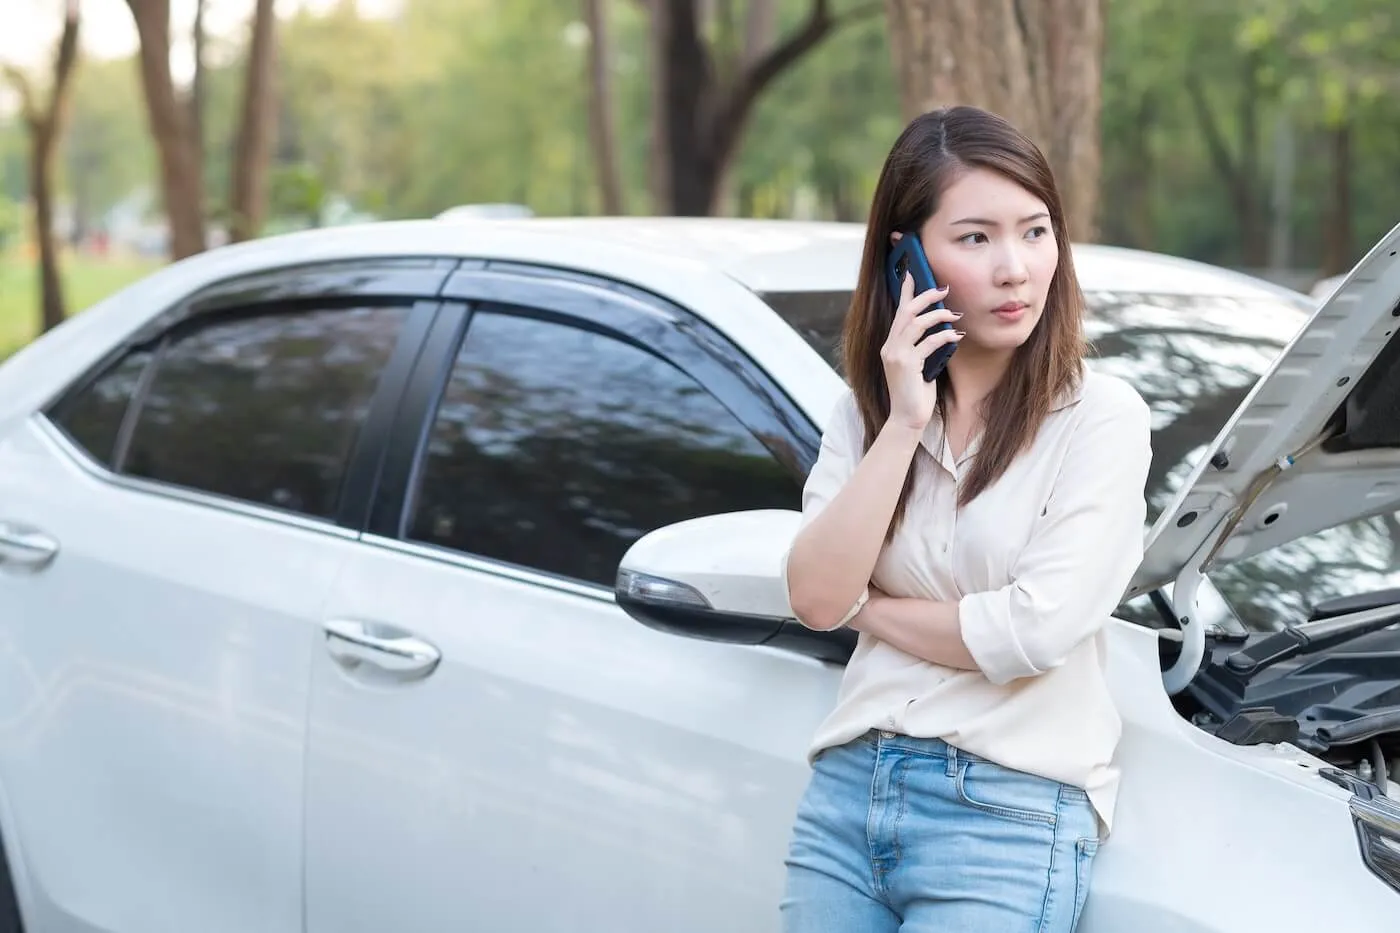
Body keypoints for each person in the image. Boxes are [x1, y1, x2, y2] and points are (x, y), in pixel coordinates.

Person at [779, 105, 1153, 932]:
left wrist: (865, 607)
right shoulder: (865, 417)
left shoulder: (1100, 418)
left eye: (1035, 231)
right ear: (906, 259)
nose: (1017, 268)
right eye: (977, 238)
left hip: (1006, 815)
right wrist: (905, 420)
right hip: (848, 791)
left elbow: (1032, 633)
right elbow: (812, 596)